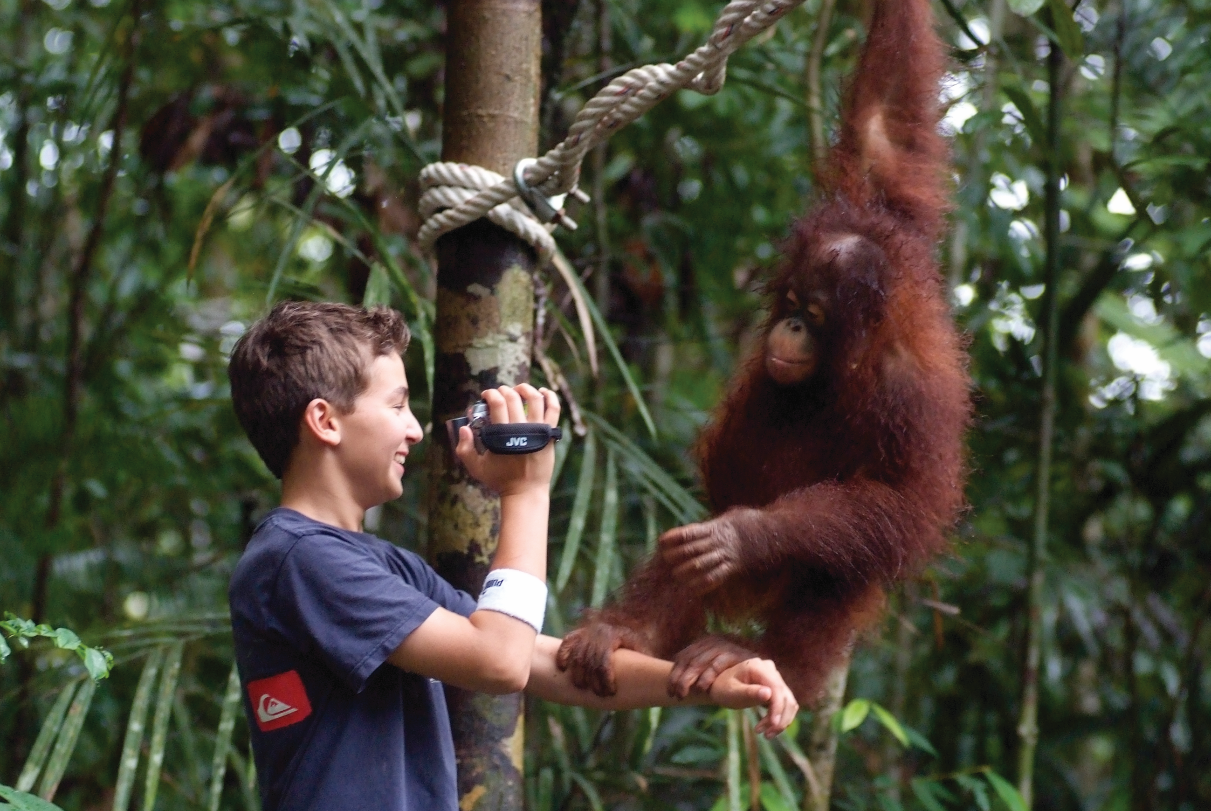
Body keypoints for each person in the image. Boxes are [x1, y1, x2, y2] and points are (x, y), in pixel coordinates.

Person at [226, 301, 798, 811]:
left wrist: (703, 681)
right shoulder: (298, 560)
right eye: (398, 405)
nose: (415, 430)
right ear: (325, 421)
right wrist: (525, 492)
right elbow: (498, 660)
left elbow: (540, 662)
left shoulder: (378, 564)